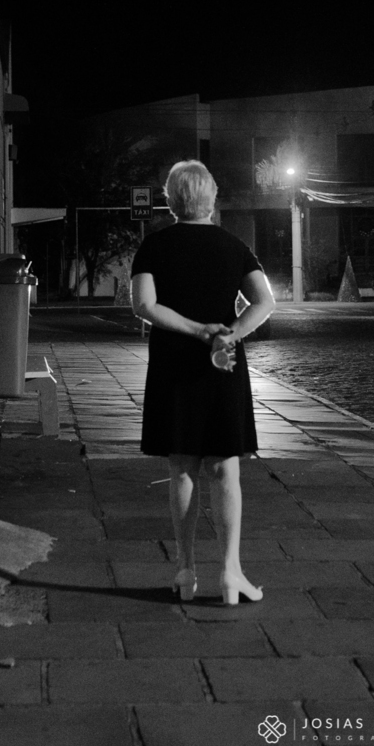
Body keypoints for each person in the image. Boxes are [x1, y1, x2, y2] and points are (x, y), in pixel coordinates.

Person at [130, 160, 276, 605]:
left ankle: (186, 571)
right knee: (225, 468)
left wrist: (195, 330)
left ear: (171, 199)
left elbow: (143, 305)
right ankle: (231, 574)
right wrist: (227, 333)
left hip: (174, 362)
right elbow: (264, 301)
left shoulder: (153, 246)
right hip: (222, 363)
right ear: (211, 199)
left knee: (183, 466)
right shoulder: (234, 246)